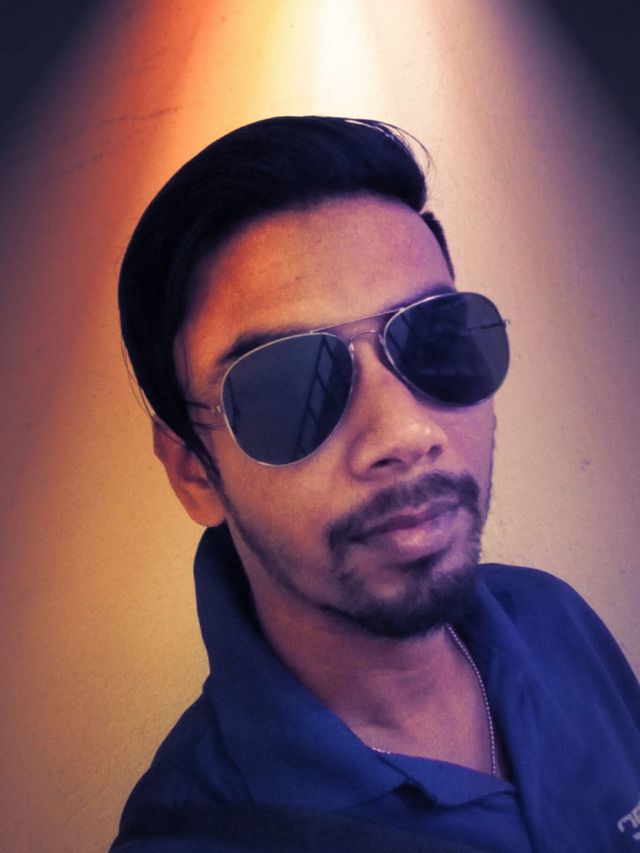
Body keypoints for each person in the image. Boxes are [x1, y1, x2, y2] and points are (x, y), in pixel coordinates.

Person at [111, 116, 640, 853]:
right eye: (284, 386)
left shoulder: (555, 620)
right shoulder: (197, 836)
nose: (404, 434)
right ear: (194, 471)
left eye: (435, 338)